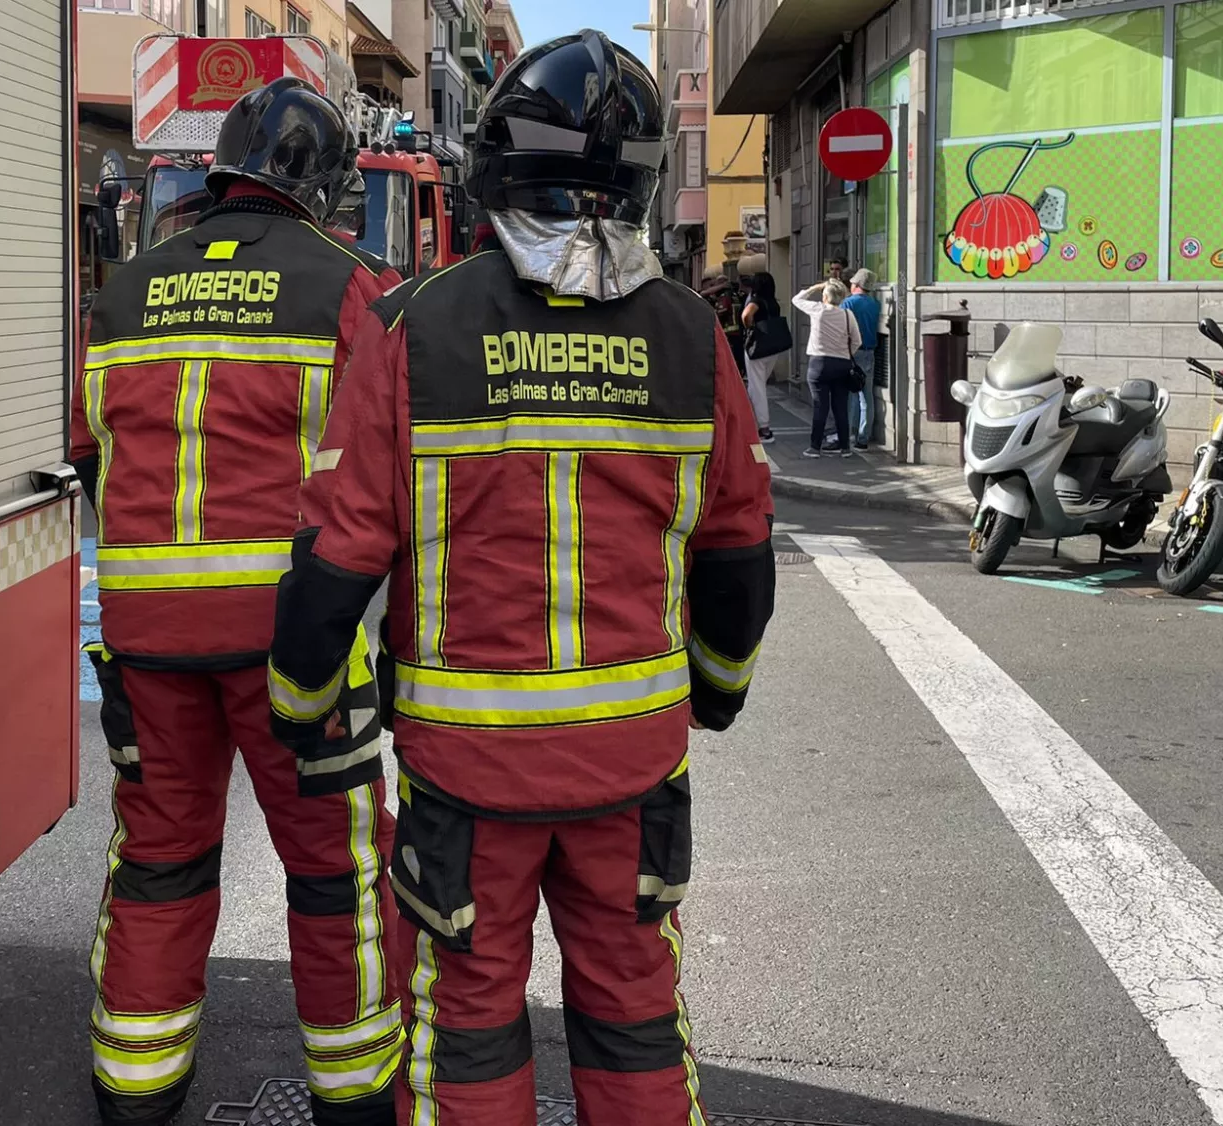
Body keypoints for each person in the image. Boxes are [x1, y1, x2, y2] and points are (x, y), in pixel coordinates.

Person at [267, 30, 776, 1126]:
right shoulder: (692, 337)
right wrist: (718, 689)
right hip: (631, 764)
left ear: (492, 164)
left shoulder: (415, 326)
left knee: (467, 1015)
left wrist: (300, 703)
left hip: (467, 774)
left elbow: (337, 555)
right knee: (633, 1010)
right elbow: (736, 548)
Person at [70, 77, 405, 1126]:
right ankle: (353, 1091)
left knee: (159, 853)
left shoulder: (123, 292)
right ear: (320, 185)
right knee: (333, 867)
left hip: (142, 632)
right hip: (287, 637)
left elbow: (88, 450)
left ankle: (135, 1084)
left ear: (219, 169)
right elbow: (386, 470)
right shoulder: (352, 285)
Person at [792, 278, 864, 459]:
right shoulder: (848, 314)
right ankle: (845, 448)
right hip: (842, 364)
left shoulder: (818, 310)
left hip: (819, 363)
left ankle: (815, 447)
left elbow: (796, 300)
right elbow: (857, 341)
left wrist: (815, 286)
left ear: (825, 296)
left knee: (820, 407)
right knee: (840, 407)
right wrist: (845, 354)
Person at [739, 271, 785, 443]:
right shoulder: (774, 303)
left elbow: (746, 315)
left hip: (756, 347)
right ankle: (750, 421)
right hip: (772, 348)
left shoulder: (756, 301)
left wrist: (749, 328)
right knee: (756, 385)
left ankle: (764, 429)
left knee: (757, 387)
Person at [841, 268, 882, 448]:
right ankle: (863, 438)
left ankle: (850, 433)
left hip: (852, 352)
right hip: (870, 351)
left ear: (856, 285)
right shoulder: (875, 303)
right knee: (867, 397)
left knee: (851, 395)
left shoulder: (848, 303)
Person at [698, 267, 746, 377]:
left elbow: (720, 313)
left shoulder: (724, 297)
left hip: (727, 333)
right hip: (737, 333)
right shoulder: (736, 295)